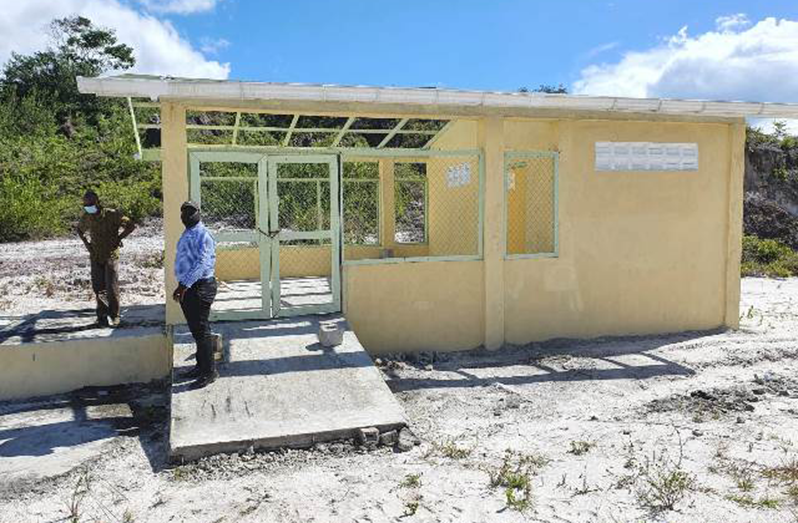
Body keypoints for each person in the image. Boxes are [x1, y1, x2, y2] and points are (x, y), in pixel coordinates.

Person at [173, 201, 219, 389]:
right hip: (189, 287)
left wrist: (183, 285)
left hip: (200, 287)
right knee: (196, 330)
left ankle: (209, 372)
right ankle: (200, 367)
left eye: (191, 212)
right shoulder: (188, 233)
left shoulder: (203, 235)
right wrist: (182, 284)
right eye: (184, 212)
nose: (187, 215)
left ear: (199, 213)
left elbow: (201, 264)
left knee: (202, 331)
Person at [77, 190, 135, 327]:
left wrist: (119, 238)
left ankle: (115, 316)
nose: (88, 206)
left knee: (111, 286)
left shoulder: (111, 214)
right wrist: (88, 245)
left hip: (111, 255)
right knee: (99, 287)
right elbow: (79, 230)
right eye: (85, 204)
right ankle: (102, 316)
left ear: (97, 202)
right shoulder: (87, 216)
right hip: (96, 255)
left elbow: (131, 225)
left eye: (90, 203)